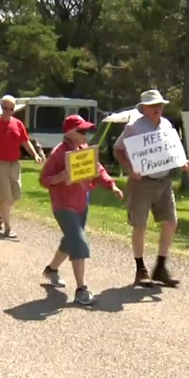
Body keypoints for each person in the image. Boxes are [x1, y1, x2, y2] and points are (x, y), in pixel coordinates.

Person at [39, 115, 124, 305]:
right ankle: (81, 290)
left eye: (87, 130)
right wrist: (61, 177)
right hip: (63, 206)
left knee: (70, 240)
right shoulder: (58, 153)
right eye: (81, 130)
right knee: (78, 241)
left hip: (81, 204)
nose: (86, 134)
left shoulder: (84, 150)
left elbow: (98, 169)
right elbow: (44, 179)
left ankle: (51, 270)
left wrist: (112, 185)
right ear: (70, 132)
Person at [113, 89, 188, 287]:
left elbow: (172, 150)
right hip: (142, 183)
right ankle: (141, 270)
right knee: (140, 225)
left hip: (164, 181)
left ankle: (160, 268)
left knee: (171, 222)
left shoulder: (167, 125)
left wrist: (182, 162)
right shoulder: (133, 128)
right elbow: (118, 149)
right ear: (144, 109)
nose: (158, 108)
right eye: (153, 105)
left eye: (160, 105)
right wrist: (130, 169)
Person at [0, 95, 43, 238]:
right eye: (5, 108)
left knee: (16, 195)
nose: (8, 112)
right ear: (1, 108)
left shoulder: (18, 124)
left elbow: (25, 141)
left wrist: (35, 154)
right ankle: (7, 228)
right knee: (5, 197)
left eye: (11, 109)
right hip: (0, 164)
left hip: (15, 163)